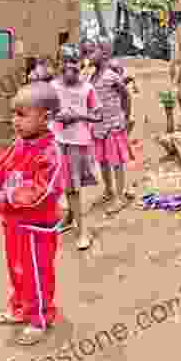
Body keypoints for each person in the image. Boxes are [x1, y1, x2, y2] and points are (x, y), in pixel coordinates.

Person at [0, 82, 68, 346]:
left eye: (22, 115)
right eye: (14, 114)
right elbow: (7, 164)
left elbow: (41, 190)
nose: (15, 121)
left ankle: (40, 317)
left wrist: (8, 196)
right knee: (17, 269)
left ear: (45, 118)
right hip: (14, 222)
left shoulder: (51, 152)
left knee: (37, 272)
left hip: (36, 227)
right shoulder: (22, 142)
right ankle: (21, 307)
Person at [50, 44, 101, 250]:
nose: (69, 68)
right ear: (59, 64)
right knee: (65, 185)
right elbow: (47, 112)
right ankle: (70, 218)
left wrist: (78, 116)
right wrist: (57, 116)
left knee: (73, 188)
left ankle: (82, 232)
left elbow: (98, 115)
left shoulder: (87, 89)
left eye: (73, 62)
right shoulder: (53, 87)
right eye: (64, 62)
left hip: (77, 143)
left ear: (79, 64)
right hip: (58, 140)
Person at [89, 38, 133, 213]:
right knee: (103, 160)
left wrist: (125, 117)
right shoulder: (91, 77)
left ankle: (120, 196)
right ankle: (108, 190)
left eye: (92, 51)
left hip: (113, 125)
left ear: (105, 54)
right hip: (99, 127)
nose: (88, 55)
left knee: (116, 162)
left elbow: (126, 95)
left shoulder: (111, 76)